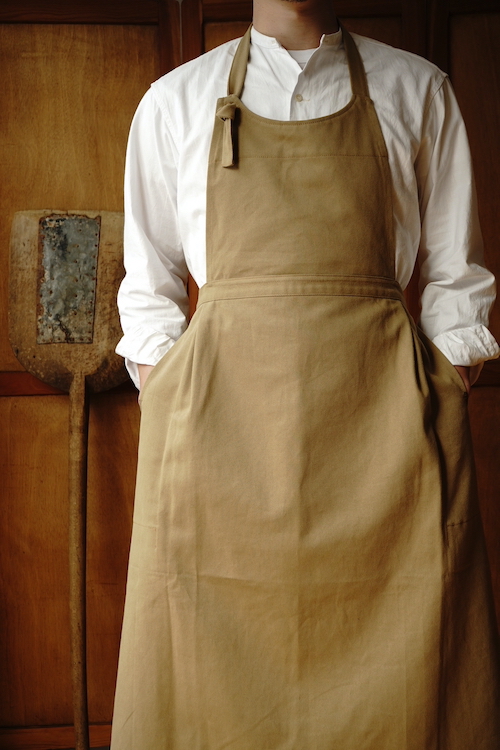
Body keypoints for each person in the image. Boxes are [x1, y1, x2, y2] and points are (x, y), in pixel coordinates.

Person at [111, 0, 500, 747]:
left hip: (386, 453)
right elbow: (148, 285)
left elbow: (458, 277)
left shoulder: (419, 89)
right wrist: (167, 386)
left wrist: (446, 383)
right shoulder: (175, 101)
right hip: (218, 451)